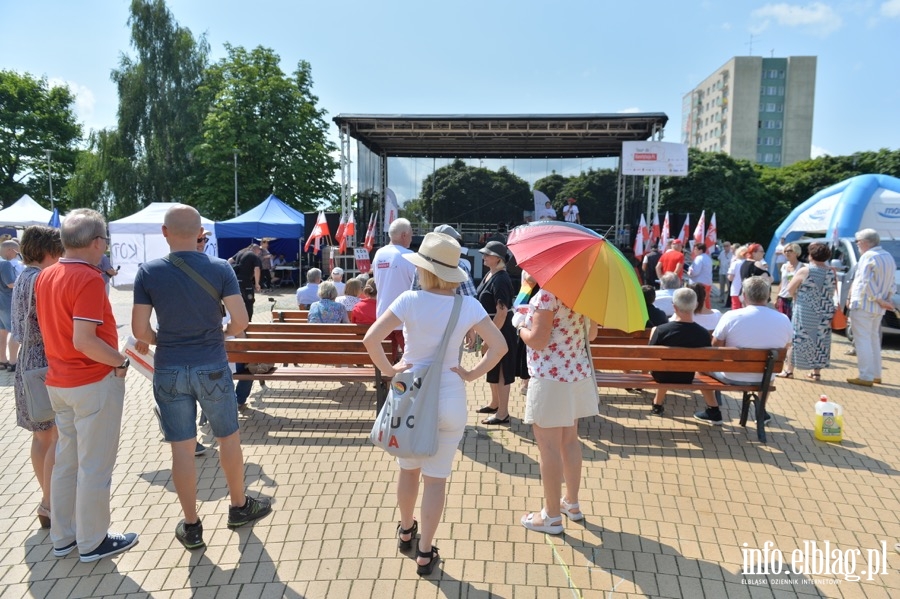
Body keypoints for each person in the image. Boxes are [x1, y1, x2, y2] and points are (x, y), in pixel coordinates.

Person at [362, 232, 506, 577]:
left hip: (411, 398)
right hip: (451, 396)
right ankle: (425, 551)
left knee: (408, 470)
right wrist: (471, 374)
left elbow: (371, 339)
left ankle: (406, 530)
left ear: (423, 268)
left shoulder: (409, 300)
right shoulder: (468, 305)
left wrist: (390, 370)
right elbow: (499, 347)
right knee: (436, 480)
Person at [131, 204, 272, 551]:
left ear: (164, 233)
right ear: (199, 234)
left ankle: (191, 525)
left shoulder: (147, 272)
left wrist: (163, 339)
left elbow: (138, 331)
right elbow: (240, 322)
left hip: (169, 368)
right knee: (228, 438)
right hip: (211, 364)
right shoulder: (220, 268)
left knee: (181, 448)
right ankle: (239, 506)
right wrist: (219, 335)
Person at [35, 208, 138, 563]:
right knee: (95, 465)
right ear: (96, 242)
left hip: (60, 381)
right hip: (91, 379)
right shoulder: (89, 278)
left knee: (68, 462)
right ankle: (93, 540)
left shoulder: (46, 275)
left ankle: (64, 536)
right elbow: (85, 340)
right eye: (105, 241)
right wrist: (121, 362)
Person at [516, 283, 597, 535]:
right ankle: (571, 504)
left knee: (548, 447)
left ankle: (551, 516)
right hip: (575, 374)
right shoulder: (585, 292)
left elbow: (538, 341)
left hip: (550, 378)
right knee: (570, 441)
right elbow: (591, 335)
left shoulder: (547, 295)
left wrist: (520, 326)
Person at [11, 226, 64, 530]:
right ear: (50, 249)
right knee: (54, 436)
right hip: (45, 362)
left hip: (27, 361)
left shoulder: (23, 276)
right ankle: (51, 503)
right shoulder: (42, 279)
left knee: (41, 435)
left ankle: (48, 501)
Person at [704, 276, 793, 425]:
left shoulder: (731, 316)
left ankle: (713, 410)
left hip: (731, 375)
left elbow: (715, 346)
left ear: (744, 296)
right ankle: (760, 411)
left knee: (700, 367)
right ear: (768, 295)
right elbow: (786, 346)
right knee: (767, 368)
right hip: (765, 378)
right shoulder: (783, 319)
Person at [649, 288, 718, 417]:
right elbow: (706, 364)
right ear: (696, 305)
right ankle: (714, 409)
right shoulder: (703, 334)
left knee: (664, 364)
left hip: (661, 376)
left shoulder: (661, 330)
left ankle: (657, 405)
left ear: (674, 307)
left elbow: (651, 359)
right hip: (688, 376)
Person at [474, 240, 517, 425]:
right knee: (492, 367)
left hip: (501, 330)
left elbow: (502, 312)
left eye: (487, 254)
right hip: (492, 328)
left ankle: (503, 413)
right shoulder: (491, 275)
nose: (483, 256)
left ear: (497, 259)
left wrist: (490, 338)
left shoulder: (501, 279)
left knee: (501, 371)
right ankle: (494, 403)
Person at [847, 228, 896, 386]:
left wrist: (878, 299)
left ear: (863, 243)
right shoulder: (888, 256)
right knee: (873, 339)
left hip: (865, 304)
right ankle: (875, 374)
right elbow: (891, 283)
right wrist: (886, 300)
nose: (857, 245)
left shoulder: (868, 256)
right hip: (877, 307)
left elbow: (864, 282)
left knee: (863, 340)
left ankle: (866, 376)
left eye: (857, 242)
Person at [779, 242, 835, 380]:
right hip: (825, 310)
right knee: (821, 340)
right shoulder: (831, 271)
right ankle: (816, 372)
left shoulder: (805, 270)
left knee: (798, 338)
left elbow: (790, 289)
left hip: (806, 310)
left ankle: (789, 370)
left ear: (811, 255)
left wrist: (799, 295)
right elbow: (832, 290)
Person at [372, 218, 416, 361]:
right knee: (411, 361)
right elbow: (418, 286)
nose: (411, 238)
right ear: (404, 235)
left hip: (383, 317)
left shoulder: (379, 254)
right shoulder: (409, 256)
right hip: (405, 318)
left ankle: (387, 383)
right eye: (411, 234)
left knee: (387, 362)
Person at [0, 240, 21, 371]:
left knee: (2, 332)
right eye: (17, 252)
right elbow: (11, 284)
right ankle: (13, 362)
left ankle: (2, 360)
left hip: (1, 303)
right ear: (10, 250)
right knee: (15, 332)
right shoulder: (6, 265)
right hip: (9, 302)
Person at [233, 243, 262, 320]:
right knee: (249, 302)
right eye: (259, 250)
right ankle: (248, 322)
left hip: (236, 281)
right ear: (257, 249)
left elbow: (229, 261)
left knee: (238, 302)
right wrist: (257, 283)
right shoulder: (253, 256)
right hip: (246, 282)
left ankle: (237, 320)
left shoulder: (240, 252)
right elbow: (257, 269)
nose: (259, 252)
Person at [776, 242, 804, 320]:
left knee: (792, 322)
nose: (787, 253)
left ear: (796, 252)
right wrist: (777, 297)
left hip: (794, 299)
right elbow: (782, 283)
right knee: (781, 321)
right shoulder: (784, 266)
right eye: (785, 251)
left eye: (790, 251)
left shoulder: (802, 267)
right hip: (782, 297)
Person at [686, 243, 713, 308]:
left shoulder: (699, 258)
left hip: (698, 284)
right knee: (706, 301)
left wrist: (689, 272)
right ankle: (708, 314)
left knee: (698, 301)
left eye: (695, 249)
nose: (694, 251)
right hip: (707, 282)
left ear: (700, 250)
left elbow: (695, 272)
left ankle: (699, 315)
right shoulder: (708, 258)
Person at [727, 245, 748, 310]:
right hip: (747, 289)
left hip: (736, 288)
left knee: (735, 307)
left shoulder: (735, 263)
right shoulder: (750, 263)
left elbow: (730, 277)